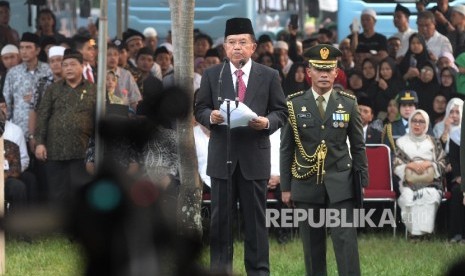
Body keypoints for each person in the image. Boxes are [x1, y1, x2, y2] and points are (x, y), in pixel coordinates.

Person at [194, 17, 288, 275]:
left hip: (254, 160)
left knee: (255, 224)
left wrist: (266, 122)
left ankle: (258, 272)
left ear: (253, 47)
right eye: (232, 42)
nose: (237, 47)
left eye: (242, 42)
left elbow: (281, 111)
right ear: (224, 47)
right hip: (221, 159)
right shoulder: (213, 75)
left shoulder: (268, 76)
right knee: (220, 225)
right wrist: (209, 117)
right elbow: (199, 107)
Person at [280, 44, 368, 276]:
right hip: (306, 182)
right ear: (309, 72)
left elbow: (358, 146)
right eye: (319, 69)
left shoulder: (348, 103)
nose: (324, 74)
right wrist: (286, 187)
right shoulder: (294, 104)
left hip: (340, 183)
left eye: (329, 70)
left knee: (345, 241)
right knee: (312, 245)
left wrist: (362, 183)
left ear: (336, 72)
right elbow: (286, 149)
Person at [35, 49, 95, 205]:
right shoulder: (53, 89)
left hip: (83, 148)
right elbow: (42, 116)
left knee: (80, 188)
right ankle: (58, 224)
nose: (68, 68)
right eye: (65, 65)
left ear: (82, 66)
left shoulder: (94, 89)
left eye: (73, 65)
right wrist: (40, 142)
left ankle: (79, 223)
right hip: (55, 149)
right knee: (57, 190)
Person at [394, 109, 446, 240]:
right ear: (410, 123)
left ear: (426, 124)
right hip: (408, 182)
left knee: (430, 196)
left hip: (431, 182)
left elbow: (443, 162)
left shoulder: (434, 142)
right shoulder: (401, 142)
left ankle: (424, 232)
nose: (417, 124)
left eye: (421, 121)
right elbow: (396, 165)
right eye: (414, 121)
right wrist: (409, 166)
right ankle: (415, 233)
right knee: (408, 197)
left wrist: (429, 164)